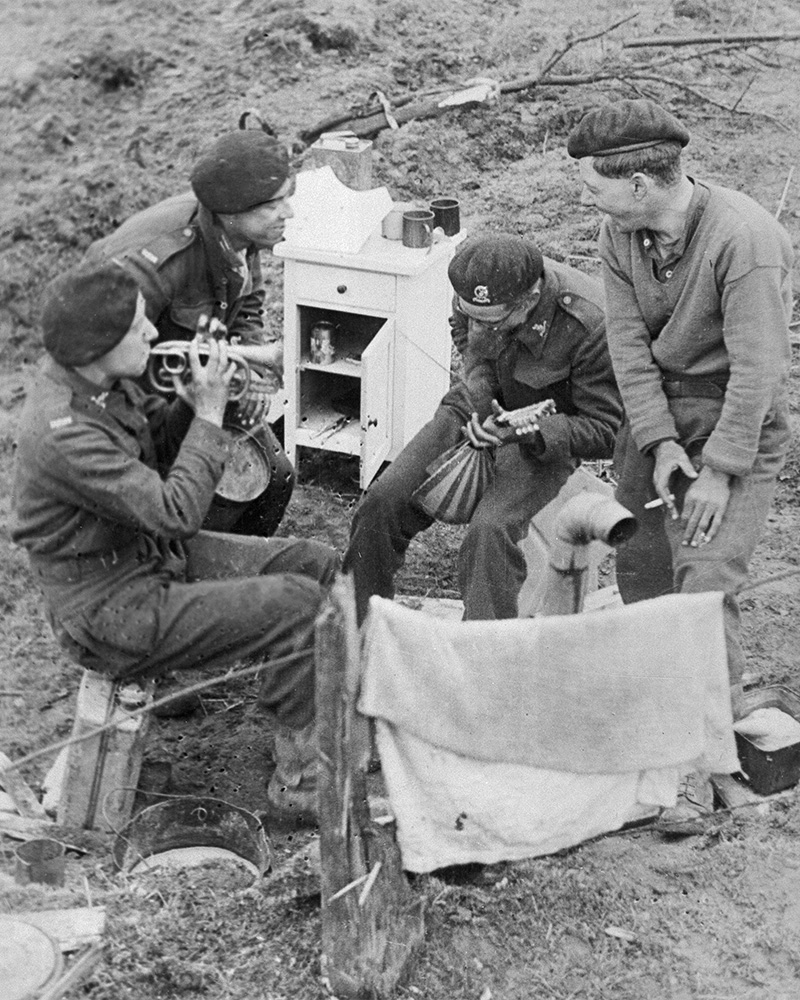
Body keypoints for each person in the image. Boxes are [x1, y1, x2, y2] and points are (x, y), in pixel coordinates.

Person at [12, 261, 340, 824]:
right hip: (110, 610)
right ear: (97, 347)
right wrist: (208, 415)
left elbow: (153, 456)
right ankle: (303, 788)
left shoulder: (98, 384)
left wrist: (193, 404)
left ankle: (307, 725)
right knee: (300, 608)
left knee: (316, 564)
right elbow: (175, 511)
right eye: (137, 328)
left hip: (143, 562)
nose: (152, 335)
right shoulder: (63, 431)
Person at [567, 98, 794, 833]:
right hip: (658, 422)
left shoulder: (745, 239)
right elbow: (628, 348)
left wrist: (719, 471)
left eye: (596, 185)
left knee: (701, 586)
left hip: (737, 426)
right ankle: (659, 733)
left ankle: (715, 768)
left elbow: (760, 372)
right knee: (640, 571)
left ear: (641, 183)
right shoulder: (618, 234)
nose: (587, 198)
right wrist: (660, 443)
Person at [344, 233, 623, 624]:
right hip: (477, 403)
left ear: (528, 300)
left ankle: (482, 653)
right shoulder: (474, 288)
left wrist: (522, 431)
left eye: (493, 322)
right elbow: (465, 336)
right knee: (382, 501)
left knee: (489, 533)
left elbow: (604, 429)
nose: (479, 327)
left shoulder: (590, 324)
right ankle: (359, 628)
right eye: (470, 314)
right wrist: (478, 388)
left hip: (543, 434)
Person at [84, 129, 295, 538]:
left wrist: (248, 368)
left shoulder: (238, 236)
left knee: (275, 476)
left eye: (288, 197)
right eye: (273, 205)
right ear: (231, 210)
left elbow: (247, 302)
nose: (288, 212)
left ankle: (230, 569)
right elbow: (98, 360)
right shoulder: (158, 263)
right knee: (197, 501)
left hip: (193, 385)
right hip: (135, 404)